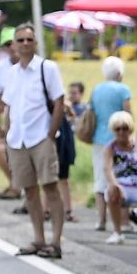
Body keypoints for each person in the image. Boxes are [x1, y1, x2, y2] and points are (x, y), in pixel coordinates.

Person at [2, 24, 65, 259]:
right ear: (14, 44)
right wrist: (7, 136)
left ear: (35, 42)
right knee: (29, 191)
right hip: (18, 139)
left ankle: (55, 242)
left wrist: (50, 134)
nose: (25, 43)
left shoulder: (47, 68)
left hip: (40, 137)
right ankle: (39, 238)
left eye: (29, 39)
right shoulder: (12, 72)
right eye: (21, 40)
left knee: (50, 188)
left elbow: (59, 102)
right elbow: (9, 106)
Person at [89, 57, 133, 232]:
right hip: (119, 139)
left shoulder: (96, 90)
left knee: (100, 178)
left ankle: (101, 220)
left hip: (99, 138)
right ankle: (124, 221)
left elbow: (92, 113)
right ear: (120, 73)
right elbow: (127, 115)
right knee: (122, 178)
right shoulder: (123, 89)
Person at [102, 111, 137, 244]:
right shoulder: (111, 148)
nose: (121, 132)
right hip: (122, 185)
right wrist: (115, 184)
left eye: (124, 128)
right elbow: (107, 169)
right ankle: (117, 232)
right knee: (112, 191)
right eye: (117, 129)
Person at [0, 28, 20, 200]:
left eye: (12, 42)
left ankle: (19, 186)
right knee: (1, 148)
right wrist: (4, 107)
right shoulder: (2, 66)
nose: (11, 47)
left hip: (26, 116)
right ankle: (15, 184)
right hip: (9, 113)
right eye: (7, 45)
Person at [55, 81, 84, 222]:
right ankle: (47, 210)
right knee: (51, 181)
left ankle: (67, 210)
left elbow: (76, 122)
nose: (71, 96)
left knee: (62, 179)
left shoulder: (79, 108)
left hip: (63, 148)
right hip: (56, 146)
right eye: (70, 93)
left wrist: (68, 109)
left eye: (74, 93)